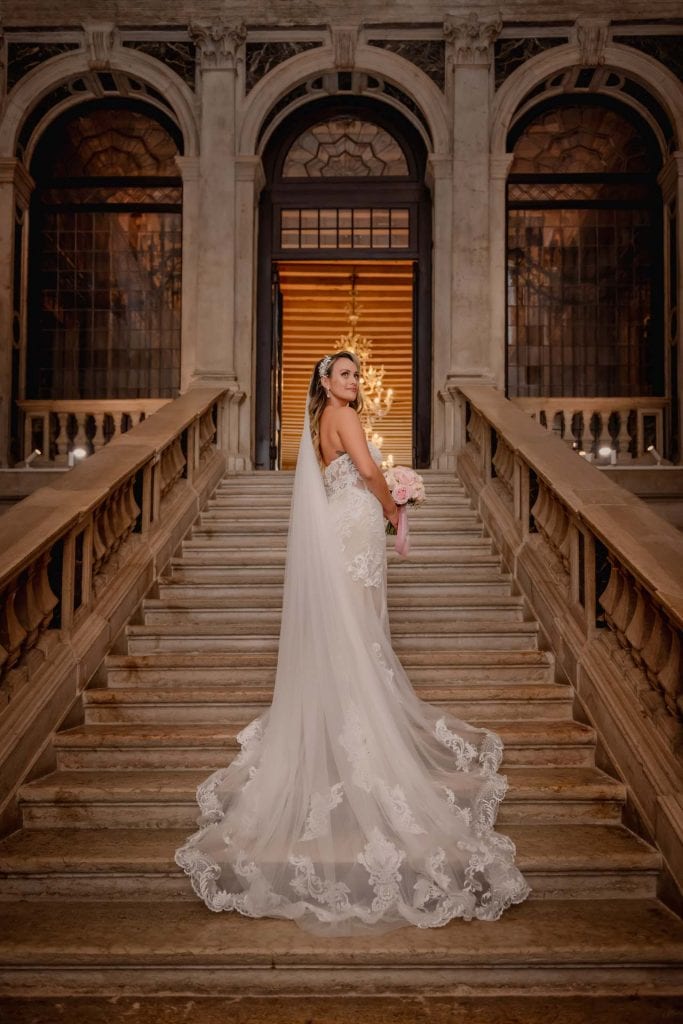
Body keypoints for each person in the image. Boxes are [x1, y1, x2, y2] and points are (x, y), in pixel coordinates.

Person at [174, 350, 530, 934]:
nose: (355, 382)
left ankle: (342, 732)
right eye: (345, 375)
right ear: (326, 382)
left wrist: (387, 502)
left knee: (352, 638)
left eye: (358, 375)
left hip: (344, 529)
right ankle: (358, 740)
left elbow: (350, 473)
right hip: (356, 528)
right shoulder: (343, 417)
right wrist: (394, 507)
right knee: (358, 637)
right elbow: (366, 469)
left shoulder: (318, 425)